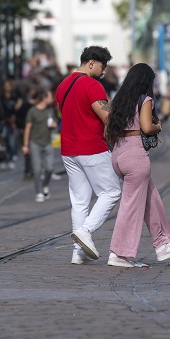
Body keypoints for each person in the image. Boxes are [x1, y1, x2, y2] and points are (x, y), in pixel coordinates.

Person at [103, 63, 170, 267]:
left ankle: (162, 245)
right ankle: (118, 253)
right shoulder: (145, 99)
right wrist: (159, 125)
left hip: (119, 153)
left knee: (152, 200)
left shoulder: (118, 100)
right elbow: (147, 127)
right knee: (130, 207)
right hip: (135, 155)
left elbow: (107, 132)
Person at [55, 46, 121, 265]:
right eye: (102, 67)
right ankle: (85, 231)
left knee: (79, 201)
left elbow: (66, 113)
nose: (103, 72)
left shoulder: (62, 85)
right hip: (91, 147)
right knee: (111, 192)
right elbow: (107, 118)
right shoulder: (93, 86)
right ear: (91, 63)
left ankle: (78, 253)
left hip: (68, 150)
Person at [22, 88, 57, 202]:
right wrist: (26, 145)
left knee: (50, 168)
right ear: (44, 98)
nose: (52, 99)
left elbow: (54, 124)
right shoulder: (32, 111)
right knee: (36, 170)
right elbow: (27, 128)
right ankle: (39, 192)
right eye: (50, 97)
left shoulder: (50, 110)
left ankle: (45, 185)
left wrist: (53, 125)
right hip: (35, 143)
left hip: (47, 142)